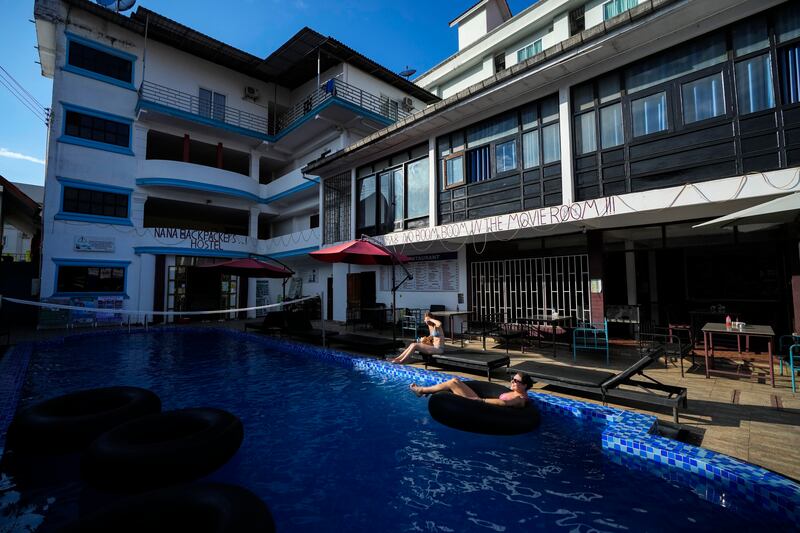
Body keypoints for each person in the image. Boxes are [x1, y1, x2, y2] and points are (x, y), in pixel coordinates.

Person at [409, 373, 533, 408]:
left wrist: (481, 400)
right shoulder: (516, 392)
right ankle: (426, 391)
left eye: (516, 381)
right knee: (455, 381)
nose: (512, 382)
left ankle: (422, 390)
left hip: (484, 409)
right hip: (482, 403)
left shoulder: (520, 398)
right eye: (512, 379)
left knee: (452, 383)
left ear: (524, 385)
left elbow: (504, 403)